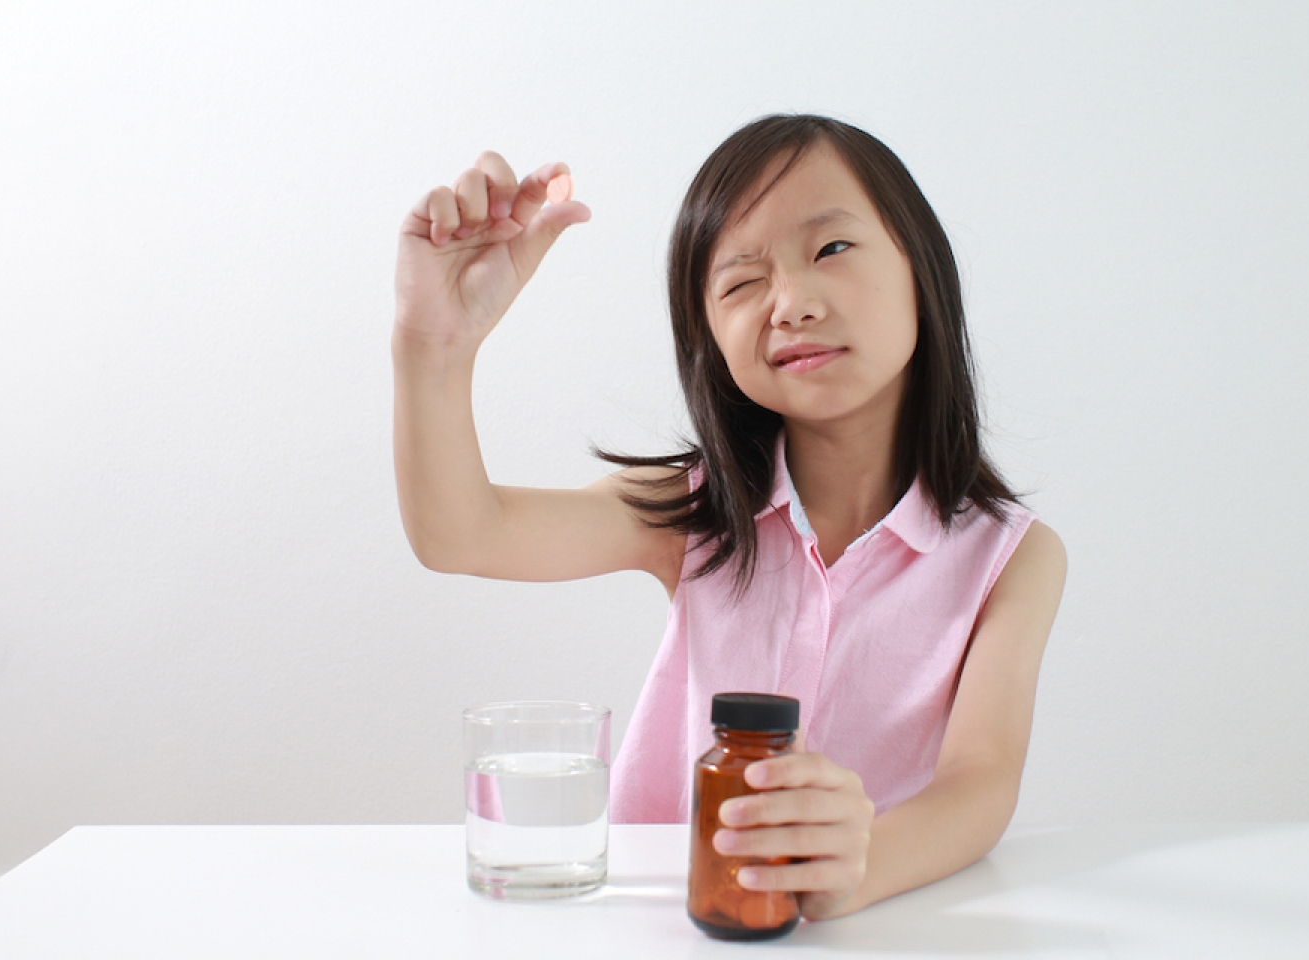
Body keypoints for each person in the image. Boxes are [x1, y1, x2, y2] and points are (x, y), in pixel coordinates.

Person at [392, 114, 1066, 920]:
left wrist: (853, 865)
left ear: (921, 269)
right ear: (707, 337)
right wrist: (431, 345)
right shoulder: (695, 512)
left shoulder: (1011, 557)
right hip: (668, 921)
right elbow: (462, 534)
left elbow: (980, 783)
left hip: (887, 929)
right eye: (741, 281)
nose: (792, 303)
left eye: (831, 250)